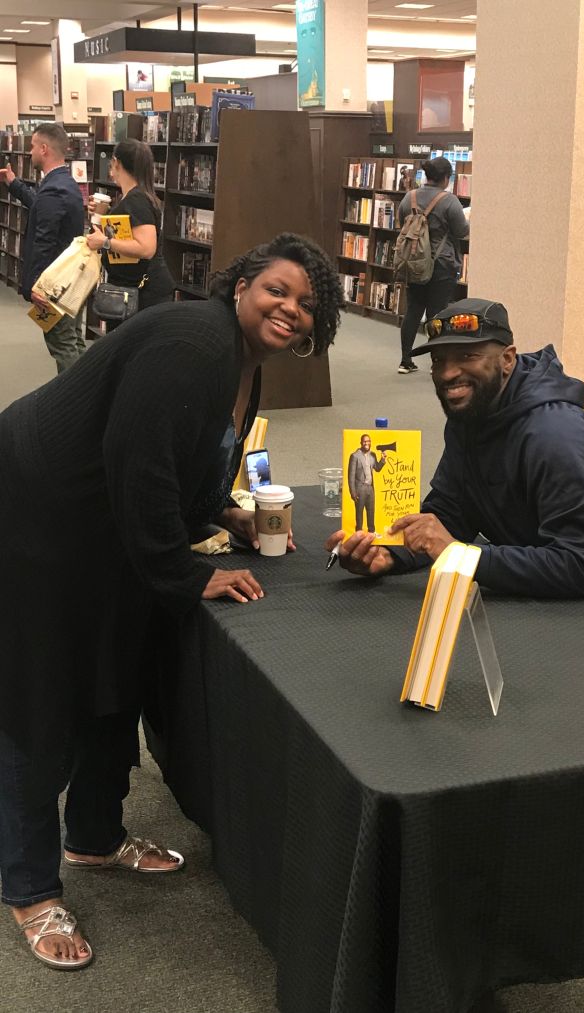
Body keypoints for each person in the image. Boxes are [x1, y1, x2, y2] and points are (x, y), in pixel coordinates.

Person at [0, 233, 344, 971]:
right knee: (42, 696)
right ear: (241, 285)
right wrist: (187, 574)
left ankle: (91, 835)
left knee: (116, 674)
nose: (291, 308)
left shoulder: (243, 365)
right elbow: (140, 462)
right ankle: (29, 886)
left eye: (308, 303)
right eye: (277, 289)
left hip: (105, 527)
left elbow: (189, 459)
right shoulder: (197, 341)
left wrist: (223, 513)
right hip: (38, 513)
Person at [327, 297, 584, 623]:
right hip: (541, 600)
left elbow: (580, 566)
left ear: (507, 359)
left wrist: (459, 555)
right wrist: (390, 556)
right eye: (439, 361)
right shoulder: (472, 416)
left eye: (467, 356)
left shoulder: (557, 436)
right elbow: (451, 513)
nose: (448, 373)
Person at [0, 123, 85, 372]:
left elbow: (43, 240)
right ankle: (86, 394)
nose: (30, 153)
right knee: (73, 340)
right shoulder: (63, 183)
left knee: (62, 343)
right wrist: (13, 183)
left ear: (45, 149)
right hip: (69, 280)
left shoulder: (54, 190)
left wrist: (33, 287)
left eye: (33, 146)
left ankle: (77, 400)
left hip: (55, 284)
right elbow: (39, 205)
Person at [85, 137, 174, 319]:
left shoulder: (137, 200)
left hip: (144, 292)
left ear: (116, 163)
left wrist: (106, 242)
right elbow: (128, 231)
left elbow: (146, 248)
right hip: (137, 288)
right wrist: (103, 214)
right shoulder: (134, 197)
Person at [396, 156, 469, 375]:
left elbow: (402, 224)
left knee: (413, 310)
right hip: (442, 264)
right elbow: (461, 231)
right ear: (446, 178)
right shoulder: (450, 201)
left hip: (415, 262)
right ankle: (437, 362)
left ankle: (405, 360)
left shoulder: (409, 198)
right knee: (437, 313)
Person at [347, 434, 387, 533]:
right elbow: (351, 476)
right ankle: (359, 533)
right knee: (359, 512)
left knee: (371, 511)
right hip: (360, 489)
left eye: (368, 441)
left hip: (370, 488)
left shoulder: (372, 455)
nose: (367, 443)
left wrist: (382, 460)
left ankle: (371, 532)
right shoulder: (355, 456)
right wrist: (353, 492)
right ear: (361, 443)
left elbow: (377, 468)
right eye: (365, 441)